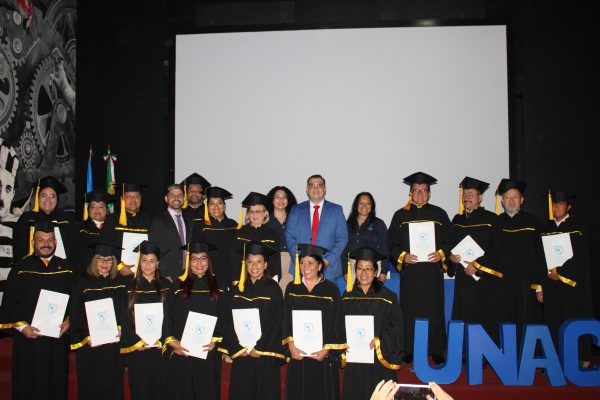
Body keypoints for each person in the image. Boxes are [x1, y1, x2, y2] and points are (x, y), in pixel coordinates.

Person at [0, 221, 74, 400]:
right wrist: (22, 328)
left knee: (56, 382)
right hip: (29, 342)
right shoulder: (20, 268)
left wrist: (70, 321)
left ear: (56, 242)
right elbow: (9, 303)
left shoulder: (67, 269)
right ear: (33, 242)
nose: (46, 243)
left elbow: (76, 300)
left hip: (57, 341)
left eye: (50, 240)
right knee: (30, 383)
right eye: (41, 239)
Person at [387, 172, 451, 364]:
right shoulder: (400, 215)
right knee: (410, 310)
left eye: (424, 191)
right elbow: (392, 243)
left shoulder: (440, 214)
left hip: (432, 273)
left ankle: (436, 349)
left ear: (429, 194)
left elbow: (450, 240)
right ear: (410, 193)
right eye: (416, 190)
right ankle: (410, 349)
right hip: (412, 274)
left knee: (435, 310)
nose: (420, 194)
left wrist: (441, 253)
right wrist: (403, 256)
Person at [222, 241, 284, 400]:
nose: (254, 266)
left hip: (264, 356)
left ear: (265, 265)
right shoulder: (237, 290)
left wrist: (260, 348)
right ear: (245, 264)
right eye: (250, 261)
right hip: (242, 355)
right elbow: (228, 320)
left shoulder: (273, 289)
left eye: (259, 262)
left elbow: (277, 322)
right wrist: (237, 348)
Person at [165, 241, 228, 400]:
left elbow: (225, 317)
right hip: (183, 352)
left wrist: (216, 341)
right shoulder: (177, 286)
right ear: (188, 261)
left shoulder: (219, 286)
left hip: (208, 352)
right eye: (194, 259)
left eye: (203, 258)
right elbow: (168, 316)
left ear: (209, 261)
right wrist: (173, 343)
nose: (199, 263)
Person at [539, 190, 594, 368]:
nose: (556, 207)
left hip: (572, 285)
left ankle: (581, 358)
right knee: (553, 320)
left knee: (574, 319)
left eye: (560, 204)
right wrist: (540, 286)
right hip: (551, 284)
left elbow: (581, 257)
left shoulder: (578, 227)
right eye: (554, 204)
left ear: (568, 206)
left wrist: (560, 272)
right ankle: (554, 360)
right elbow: (539, 258)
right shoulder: (545, 229)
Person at [283, 243, 345, 400]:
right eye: (302, 262)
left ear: (319, 266)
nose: (305, 266)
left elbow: (337, 322)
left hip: (322, 357)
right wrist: (290, 345)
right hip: (298, 354)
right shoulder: (292, 288)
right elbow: (285, 319)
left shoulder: (331, 290)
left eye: (311, 262)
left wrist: (327, 350)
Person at [341, 246, 403, 400]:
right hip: (355, 358)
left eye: (368, 269)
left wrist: (380, 340)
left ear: (375, 272)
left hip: (379, 359)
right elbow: (339, 325)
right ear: (355, 270)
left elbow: (397, 328)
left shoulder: (388, 297)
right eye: (360, 268)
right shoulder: (347, 297)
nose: (363, 273)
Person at [447, 177, 503, 345]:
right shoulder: (457, 220)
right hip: (464, 278)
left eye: (471, 194)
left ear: (480, 197)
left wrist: (477, 266)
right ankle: (464, 351)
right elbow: (450, 245)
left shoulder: (492, 220)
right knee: (464, 312)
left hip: (483, 279)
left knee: (484, 313)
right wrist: (451, 258)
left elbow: (497, 249)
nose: (467, 197)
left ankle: (486, 352)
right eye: (465, 194)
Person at [70, 242, 126, 400]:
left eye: (109, 260)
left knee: (113, 382)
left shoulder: (120, 283)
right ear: (94, 261)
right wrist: (86, 338)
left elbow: (125, 312)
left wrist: (122, 328)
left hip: (114, 345)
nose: (105, 264)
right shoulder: (82, 284)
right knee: (91, 384)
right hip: (91, 345)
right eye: (101, 259)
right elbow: (76, 315)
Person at [120, 241, 171, 400]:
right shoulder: (128, 286)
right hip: (138, 349)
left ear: (158, 264)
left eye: (152, 261)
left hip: (159, 348)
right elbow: (123, 317)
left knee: (160, 388)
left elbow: (171, 317)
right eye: (144, 260)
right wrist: (136, 342)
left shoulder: (166, 285)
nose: (148, 265)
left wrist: (164, 340)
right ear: (138, 262)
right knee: (140, 389)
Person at [496, 178, 545, 342]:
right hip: (503, 283)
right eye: (507, 197)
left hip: (526, 283)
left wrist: (539, 284)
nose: (511, 201)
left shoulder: (533, 222)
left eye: (515, 197)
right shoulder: (497, 223)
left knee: (526, 320)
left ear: (522, 200)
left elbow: (540, 255)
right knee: (504, 319)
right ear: (502, 201)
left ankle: (525, 357)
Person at [285, 174, 348, 283]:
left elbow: (342, 238)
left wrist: (327, 261)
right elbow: (289, 237)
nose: (315, 188)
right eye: (312, 185)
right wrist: (301, 261)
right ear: (307, 189)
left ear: (325, 189)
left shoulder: (336, 210)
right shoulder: (296, 210)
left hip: (328, 270)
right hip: (301, 270)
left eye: (319, 185)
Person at [13, 176, 75, 263]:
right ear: (38, 198)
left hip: (62, 271)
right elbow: (18, 250)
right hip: (31, 271)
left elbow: (74, 249)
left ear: (57, 199)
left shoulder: (67, 220)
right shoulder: (26, 219)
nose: (48, 200)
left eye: (52, 196)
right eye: (43, 196)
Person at [191, 186, 239, 285]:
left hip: (230, 272)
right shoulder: (201, 226)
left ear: (224, 206)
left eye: (220, 203)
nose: (216, 207)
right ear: (207, 207)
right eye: (212, 203)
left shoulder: (233, 225)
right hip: (209, 273)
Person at [231, 192, 281, 284]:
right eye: (251, 211)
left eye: (258, 211)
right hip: (243, 279)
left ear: (265, 213)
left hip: (266, 279)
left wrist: (272, 281)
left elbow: (275, 260)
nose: (254, 214)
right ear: (248, 214)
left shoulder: (273, 234)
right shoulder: (240, 233)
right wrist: (237, 280)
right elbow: (234, 258)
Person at [149, 184, 193, 282]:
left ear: (184, 198)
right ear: (166, 198)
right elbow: (155, 249)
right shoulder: (158, 220)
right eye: (172, 195)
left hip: (187, 273)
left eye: (180, 195)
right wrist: (164, 273)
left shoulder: (189, 220)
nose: (176, 198)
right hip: (168, 275)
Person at [343, 192, 389, 283]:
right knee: (355, 296)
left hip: (373, 267)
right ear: (356, 205)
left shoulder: (379, 224)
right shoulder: (347, 224)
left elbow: (385, 249)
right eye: (361, 203)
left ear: (372, 206)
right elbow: (344, 250)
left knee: (373, 296)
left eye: (368, 203)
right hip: (353, 267)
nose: (364, 206)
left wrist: (383, 272)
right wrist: (345, 271)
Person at [111, 182, 152, 276]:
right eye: (129, 196)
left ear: (141, 199)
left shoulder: (148, 220)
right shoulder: (112, 219)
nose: (133, 200)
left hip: (143, 272)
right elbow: (106, 246)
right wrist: (119, 266)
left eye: (136, 196)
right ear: (122, 199)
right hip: (117, 273)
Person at [76, 190, 117, 277]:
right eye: (93, 207)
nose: (97, 210)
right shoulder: (79, 228)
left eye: (101, 207)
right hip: (84, 274)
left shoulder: (115, 228)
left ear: (107, 209)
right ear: (88, 209)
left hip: (109, 275)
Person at [266, 185, 297, 292]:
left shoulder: (295, 218)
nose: (281, 200)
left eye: (284, 197)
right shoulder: (265, 220)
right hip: (273, 261)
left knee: (290, 292)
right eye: (277, 197)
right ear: (272, 200)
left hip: (292, 261)